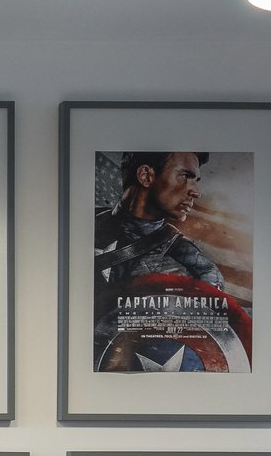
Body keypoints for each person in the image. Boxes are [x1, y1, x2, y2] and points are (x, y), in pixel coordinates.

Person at [88, 151, 239, 371]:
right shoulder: (74, 228)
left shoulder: (199, 271)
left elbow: (196, 355)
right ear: (146, 176)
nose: (196, 191)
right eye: (185, 176)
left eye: (196, 181)